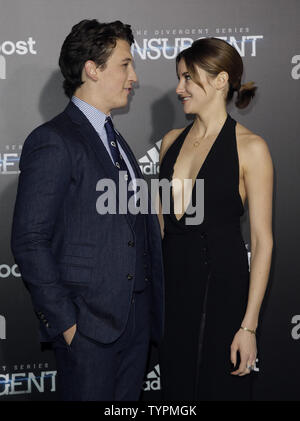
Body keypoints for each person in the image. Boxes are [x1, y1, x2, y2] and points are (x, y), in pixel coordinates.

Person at [11, 19, 164, 401]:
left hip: (136, 325)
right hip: (88, 330)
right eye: (125, 64)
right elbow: (29, 240)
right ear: (92, 69)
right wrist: (68, 325)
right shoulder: (53, 140)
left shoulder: (118, 142)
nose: (134, 76)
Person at [158, 37, 273, 400]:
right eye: (179, 78)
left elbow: (262, 241)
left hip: (221, 296)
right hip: (172, 297)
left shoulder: (251, 148)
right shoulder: (170, 141)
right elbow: (161, 225)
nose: (179, 88)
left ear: (221, 80)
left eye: (188, 78)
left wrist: (248, 327)